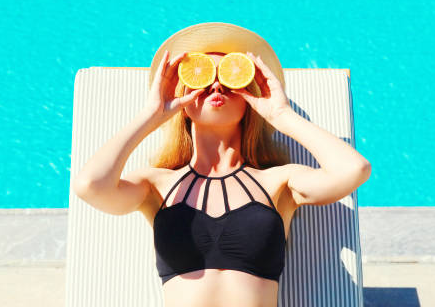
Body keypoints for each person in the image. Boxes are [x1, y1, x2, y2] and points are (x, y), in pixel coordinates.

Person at [72, 22, 371, 307]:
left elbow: (354, 170)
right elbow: (90, 186)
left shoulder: (279, 182)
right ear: (184, 99)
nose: (216, 85)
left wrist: (282, 115)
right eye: (202, 77)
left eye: (229, 76)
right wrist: (151, 115)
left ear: (249, 96)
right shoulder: (157, 185)